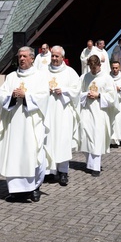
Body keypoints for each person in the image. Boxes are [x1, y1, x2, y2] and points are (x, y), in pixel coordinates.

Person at [0, 46, 50, 202]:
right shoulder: (11, 77)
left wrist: (26, 96)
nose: (22, 59)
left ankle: (33, 188)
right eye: (20, 56)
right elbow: (1, 94)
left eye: (25, 56)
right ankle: (16, 191)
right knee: (14, 154)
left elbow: (44, 96)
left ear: (32, 58)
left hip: (31, 123)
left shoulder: (40, 76)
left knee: (32, 152)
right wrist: (11, 96)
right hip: (14, 123)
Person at [43, 46, 80, 186]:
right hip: (47, 113)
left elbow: (77, 90)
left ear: (62, 57)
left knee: (63, 141)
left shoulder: (70, 73)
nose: (54, 58)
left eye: (57, 56)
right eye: (52, 56)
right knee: (48, 141)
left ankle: (63, 172)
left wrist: (63, 91)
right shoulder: (43, 72)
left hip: (64, 112)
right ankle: (50, 171)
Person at [78, 55, 117, 176]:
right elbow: (77, 93)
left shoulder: (107, 78)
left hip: (100, 112)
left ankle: (96, 167)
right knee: (85, 136)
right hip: (86, 111)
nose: (93, 70)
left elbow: (112, 97)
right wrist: (86, 95)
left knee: (96, 138)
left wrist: (99, 95)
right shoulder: (84, 77)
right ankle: (90, 164)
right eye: (91, 67)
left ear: (99, 65)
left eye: (95, 67)